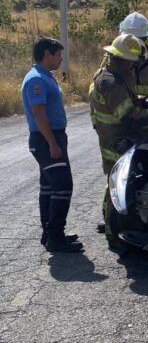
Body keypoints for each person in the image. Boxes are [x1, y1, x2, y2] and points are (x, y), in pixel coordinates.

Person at [89, 34, 148, 238]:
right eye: (133, 63)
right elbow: (129, 116)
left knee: (117, 182)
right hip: (116, 141)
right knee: (119, 185)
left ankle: (114, 223)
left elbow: (127, 103)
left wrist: (143, 100)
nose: (135, 67)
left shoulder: (116, 75)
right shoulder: (110, 82)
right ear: (123, 60)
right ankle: (114, 232)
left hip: (119, 138)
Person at [21, 37, 82, 252]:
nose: (61, 59)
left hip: (51, 137)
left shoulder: (46, 76)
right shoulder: (36, 79)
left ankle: (50, 234)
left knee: (48, 187)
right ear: (47, 54)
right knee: (63, 186)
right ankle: (55, 236)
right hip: (45, 139)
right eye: (58, 55)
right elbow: (39, 115)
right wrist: (52, 144)